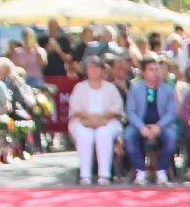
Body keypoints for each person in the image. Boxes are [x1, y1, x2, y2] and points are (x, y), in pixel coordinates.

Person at [68, 55, 125, 186]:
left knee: (103, 134)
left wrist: (102, 118)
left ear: (102, 70)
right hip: (83, 121)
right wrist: (89, 117)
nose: (93, 70)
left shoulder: (110, 87)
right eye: (90, 68)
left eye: (96, 68)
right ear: (86, 70)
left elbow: (117, 108)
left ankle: (104, 175)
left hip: (107, 121)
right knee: (84, 135)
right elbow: (75, 108)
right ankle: (85, 175)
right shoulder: (79, 87)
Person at [124, 56, 178, 185]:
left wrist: (159, 126)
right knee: (128, 136)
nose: (155, 73)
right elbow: (130, 111)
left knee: (172, 137)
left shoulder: (168, 89)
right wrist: (141, 127)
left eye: (156, 69)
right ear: (143, 73)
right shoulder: (135, 89)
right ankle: (140, 171)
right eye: (151, 70)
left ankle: (161, 171)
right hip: (139, 125)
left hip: (162, 125)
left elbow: (171, 113)